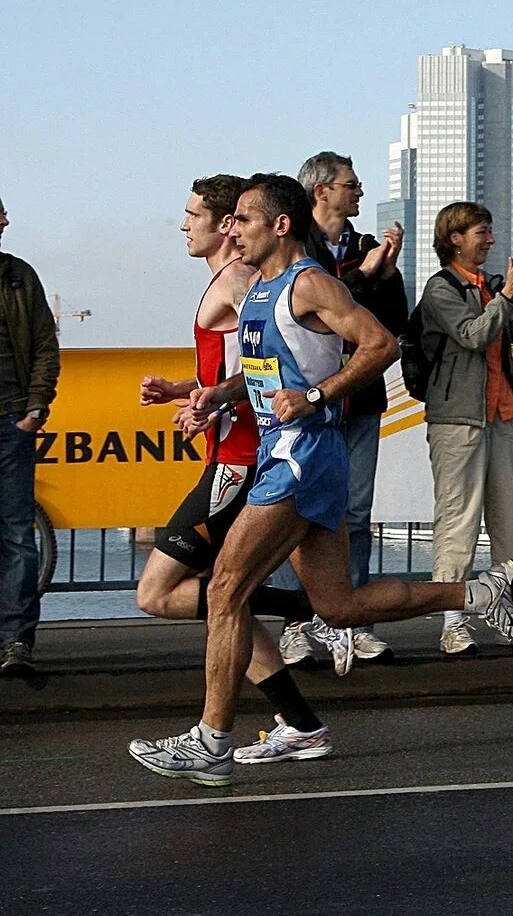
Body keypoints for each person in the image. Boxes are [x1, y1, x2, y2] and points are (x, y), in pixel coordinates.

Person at [129, 174, 513, 788]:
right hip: (283, 454)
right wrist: (215, 393)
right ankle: (479, 594)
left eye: (243, 218)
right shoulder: (260, 291)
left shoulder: (309, 283)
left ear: (280, 225)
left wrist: (316, 397)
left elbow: (380, 345)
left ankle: (211, 742)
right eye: (230, 220)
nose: (233, 228)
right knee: (337, 606)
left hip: (302, 460)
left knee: (225, 591)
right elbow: (270, 375)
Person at [133, 175, 338, 760]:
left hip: (248, 457)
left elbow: (272, 366)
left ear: (227, 224)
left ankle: (313, 615)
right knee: (227, 599)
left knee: (162, 593)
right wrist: (189, 392)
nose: (183, 225)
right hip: (230, 450)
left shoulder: (247, 281)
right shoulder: (227, 281)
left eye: (193, 214)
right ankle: (300, 720)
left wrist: (224, 400)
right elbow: (243, 370)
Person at [277, 152, 410, 664]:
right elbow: (317, 313)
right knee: (295, 514)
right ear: (321, 191)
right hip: (306, 403)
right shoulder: (295, 247)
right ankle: (296, 621)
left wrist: (384, 273)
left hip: (359, 397)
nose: (359, 192)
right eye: (350, 184)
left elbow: (391, 325)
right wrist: (362, 279)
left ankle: (352, 620)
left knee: (355, 512)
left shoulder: (367, 248)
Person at [417, 201, 513, 655]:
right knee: (458, 518)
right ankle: (452, 621)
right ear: (455, 238)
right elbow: (473, 335)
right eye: (482, 231)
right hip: (457, 420)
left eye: (490, 231)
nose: (491, 239)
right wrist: (508, 296)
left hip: (503, 417)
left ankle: (512, 615)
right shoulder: (440, 289)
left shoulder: (494, 288)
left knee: (510, 517)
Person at [0, 194, 60, 676]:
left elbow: (44, 343)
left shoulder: (19, 277)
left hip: (10, 424)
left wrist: (36, 408)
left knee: (17, 534)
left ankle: (16, 640)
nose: (5, 219)